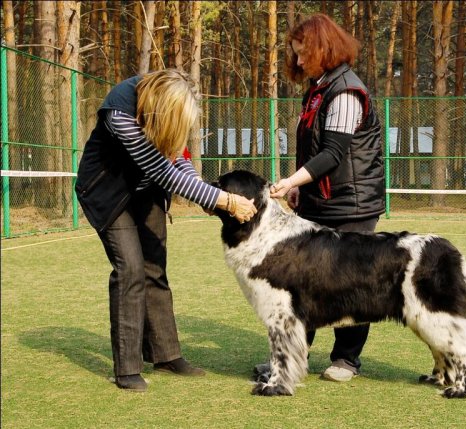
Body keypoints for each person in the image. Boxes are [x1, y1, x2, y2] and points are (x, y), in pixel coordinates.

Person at [76, 69, 257, 392]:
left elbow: (177, 158)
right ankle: (127, 368)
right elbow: (164, 172)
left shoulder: (166, 107)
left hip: (145, 192)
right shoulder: (121, 112)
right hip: (108, 193)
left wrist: (204, 192)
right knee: (130, 269)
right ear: (161, 107)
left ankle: (165, 354)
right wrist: (224, 200)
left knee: (154, 268)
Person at [267, 13, 385, 382]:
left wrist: (289, 181)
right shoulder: (318, 90)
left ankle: (346, 360)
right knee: (304, 283)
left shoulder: (347, 91)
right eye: (296, 54)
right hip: (320, 202)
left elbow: (334, 153)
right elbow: (315, 151)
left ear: (323, 48)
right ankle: (291, 358)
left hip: (352, 205)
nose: (298, 61)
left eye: (303, 53)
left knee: (351, 283)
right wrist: (302, 186)